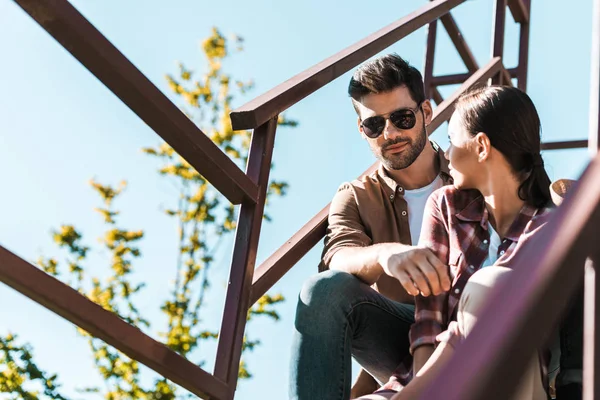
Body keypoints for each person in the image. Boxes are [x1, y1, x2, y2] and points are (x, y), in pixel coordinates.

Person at [358, 86, 580, 400]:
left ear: (481, 146)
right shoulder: (446, 206)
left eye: (451, 141)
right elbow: (428, 315)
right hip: (432, 381)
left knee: (491, 284)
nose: (446, 154)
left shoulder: (549, 229)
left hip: (513, 382)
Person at [289, 53, 454, 400]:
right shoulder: (356, 196)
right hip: (404, 340)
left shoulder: (469, 171)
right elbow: (337, 256)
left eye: (402, 117)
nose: (390, 133)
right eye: (374, 125)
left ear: (426, 112)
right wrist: (386, 255)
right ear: (361, 130)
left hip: (477, 316)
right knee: (323, 291)